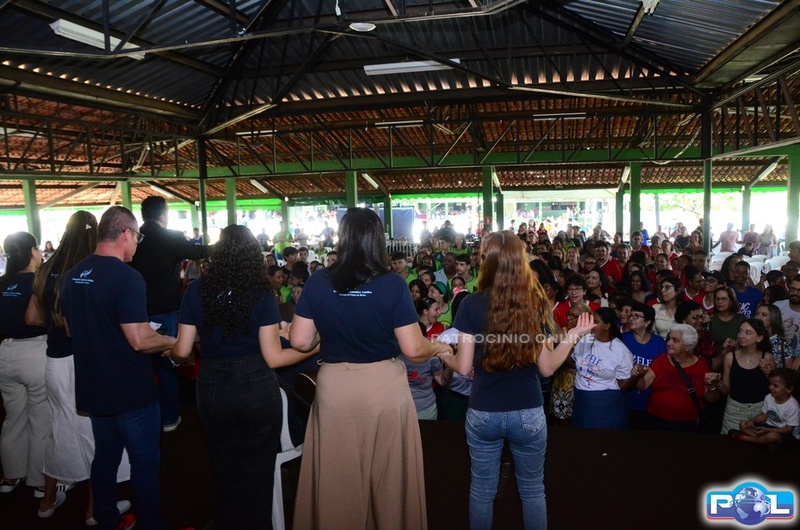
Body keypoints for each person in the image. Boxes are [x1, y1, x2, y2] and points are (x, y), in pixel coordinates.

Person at [289, 208, 451, 530]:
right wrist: (438, 347)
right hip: (383, 389)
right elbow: (413, 349)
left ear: (343, 237)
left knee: (338, 482)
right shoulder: (392, 284)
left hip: (335, 389)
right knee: (389, 482)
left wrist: (329, 330)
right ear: (378, 239)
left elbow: (300, 341)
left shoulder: (319, 281)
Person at [439, 230, 594, 530]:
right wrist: (573, 336)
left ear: (486, 262)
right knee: (533, 490)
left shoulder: (471, 304)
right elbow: (547, 368)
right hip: (528, 410)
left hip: (484, 409)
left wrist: (444, 353)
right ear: (520, 262)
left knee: (482, 491)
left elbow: (463, 366)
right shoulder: (536, 303)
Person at [169, 224, 313, 529]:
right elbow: (274, 357)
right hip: (255, 384)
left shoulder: (196, 290)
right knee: (259, 471)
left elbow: (181, 351)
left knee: (223, 466)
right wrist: (314, 349)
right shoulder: (261, 292)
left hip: (211, 385)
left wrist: (166, 351)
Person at [61, 206, 177, 530]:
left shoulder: (73, 274)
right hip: (130, 390)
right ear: (126, 234)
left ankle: (107, 520)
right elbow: (139, 340)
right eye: (137, 237)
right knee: (145, 463)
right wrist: (172, 341)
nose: (137, 244)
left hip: (93, 387)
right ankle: (151, 524)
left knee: (105, 458)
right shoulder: (127, 277)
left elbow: (69, 329)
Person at [26, 211, 132, 523]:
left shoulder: (46, 269)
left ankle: (47, 500)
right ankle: (94, 509)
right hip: (81, 361)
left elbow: (32, 318)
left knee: (57, 430)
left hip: (53, 361)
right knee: (95, 437)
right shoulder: (83, 272)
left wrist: (53, 325)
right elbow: (75, 328)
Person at [130, 195, 211, 432]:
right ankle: (170, 418)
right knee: (167, 364)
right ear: (164, 214)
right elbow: (199, 251)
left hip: (137, 311)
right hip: (165, 309)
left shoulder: (135, 238)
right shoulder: (171, 237)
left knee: (141, 366)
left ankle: (144, 419)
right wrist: (226, 244)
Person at [0, 232, 48, 498]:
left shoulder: (2, 283)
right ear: (32, 251)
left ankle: (10, 475)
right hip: (34, 351)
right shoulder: (38, 283)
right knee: (40, 420)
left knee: (13, 418)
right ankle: (39, 481)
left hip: (5, 353)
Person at [632, 324, 722, 432]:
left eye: (675, 340)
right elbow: (643, 385)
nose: (669, 343)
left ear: (688, 346)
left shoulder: (701, 367)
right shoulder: (661, 360)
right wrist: (639, 375)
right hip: (655, 421)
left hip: (687, 426)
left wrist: (712, 387)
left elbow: (712, 399)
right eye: (669, 339)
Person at [571, 307, 635, 429]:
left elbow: (623, 384)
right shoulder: (586, 340)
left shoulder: (621, 351)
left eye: (596, 321)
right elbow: (575, 362)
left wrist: (636, 376)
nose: (591, 325)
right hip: (581, 399)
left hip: (604, 403)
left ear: (607, 325)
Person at [719, 319, 776, 434]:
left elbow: (776, 387)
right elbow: (726, 391)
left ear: (759, 338)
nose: (741, 336)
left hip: (760, 411)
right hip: (734, 411)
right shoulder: (730, 357)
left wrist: (767, 373)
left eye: (748, 333)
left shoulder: (767, 358)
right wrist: (718, 384)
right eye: (740, 331)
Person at [729, 368, 799, 449]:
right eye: (770, 384)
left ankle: (745, 438)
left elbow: (788, 429)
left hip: (785, 433)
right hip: (768, 427)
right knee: (743, 424)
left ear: (789, 389)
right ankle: (765, 442)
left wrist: (767, 430)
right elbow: (763, 415)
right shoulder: (769, 397)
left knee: (772, 436)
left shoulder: (793, 406)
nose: (771, 387)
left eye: (775, 385)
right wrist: (752, 421)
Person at [621, 303, 666, 429]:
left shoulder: (659, 343)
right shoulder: (622, 339)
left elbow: (662, 369)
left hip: (649, 401)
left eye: (637, 316)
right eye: (631, 315)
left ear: (647, 322)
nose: (631, 318)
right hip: (625, 399)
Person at [754, 303, 795, 369]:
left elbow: (789, 372)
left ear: (773, 318)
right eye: (757, 314)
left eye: (764, 315)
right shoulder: (750, 339)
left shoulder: (784, 344)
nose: (758, 317)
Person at [774, 275, 800, 363]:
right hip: (776, 357)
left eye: (799, 290)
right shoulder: (777, 306)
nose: (795, 293)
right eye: (792, 289)